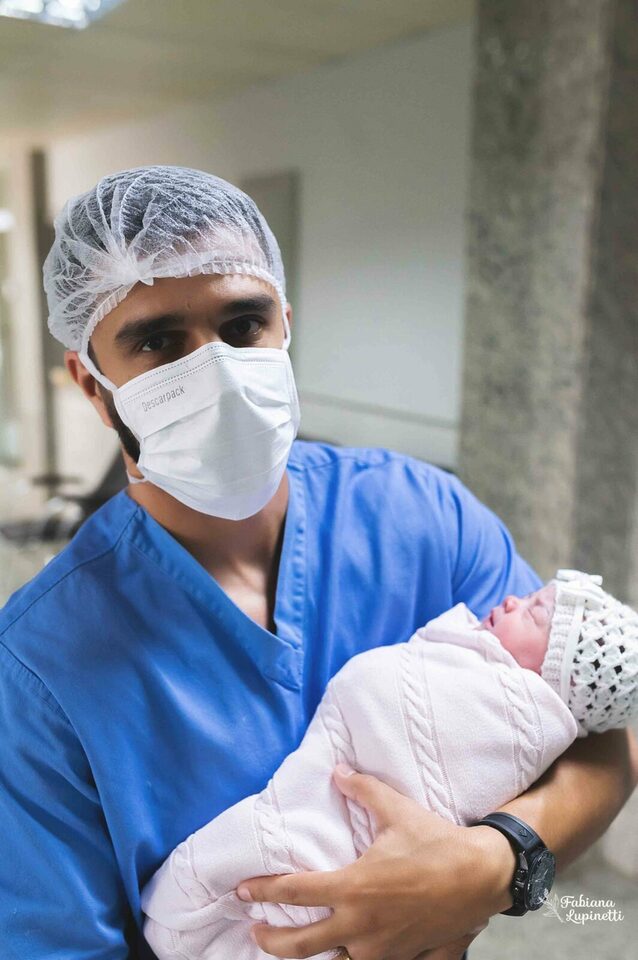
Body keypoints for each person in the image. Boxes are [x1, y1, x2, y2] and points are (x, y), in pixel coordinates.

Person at [0, 165, 636, 960]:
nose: (216, 370)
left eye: (243, 324)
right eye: (158, 341)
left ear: (285, 327)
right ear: (93, 386)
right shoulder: (40, 666)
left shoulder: (421, 516)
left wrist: (493, 864)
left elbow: (598, 739)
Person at [139, 570, 638, 959]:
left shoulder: (523, 716)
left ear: (561, 678)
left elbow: (619, 753)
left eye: (534, 612)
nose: (512, 600)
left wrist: (491, 864)